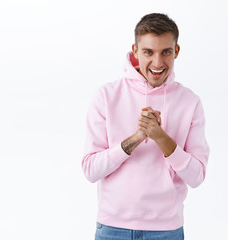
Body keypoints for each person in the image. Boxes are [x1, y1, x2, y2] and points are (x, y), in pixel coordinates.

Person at [81, 13, 209, 240]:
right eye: (149, 52)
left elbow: (197, 176)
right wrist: (137, 138)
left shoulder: (190, 102)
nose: (158, 63)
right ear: (135, 51)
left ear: (176, 51)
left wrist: (161, 138)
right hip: (112, 228)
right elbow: (91, 170)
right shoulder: (106, 96)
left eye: (166, 52)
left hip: (166, 230)